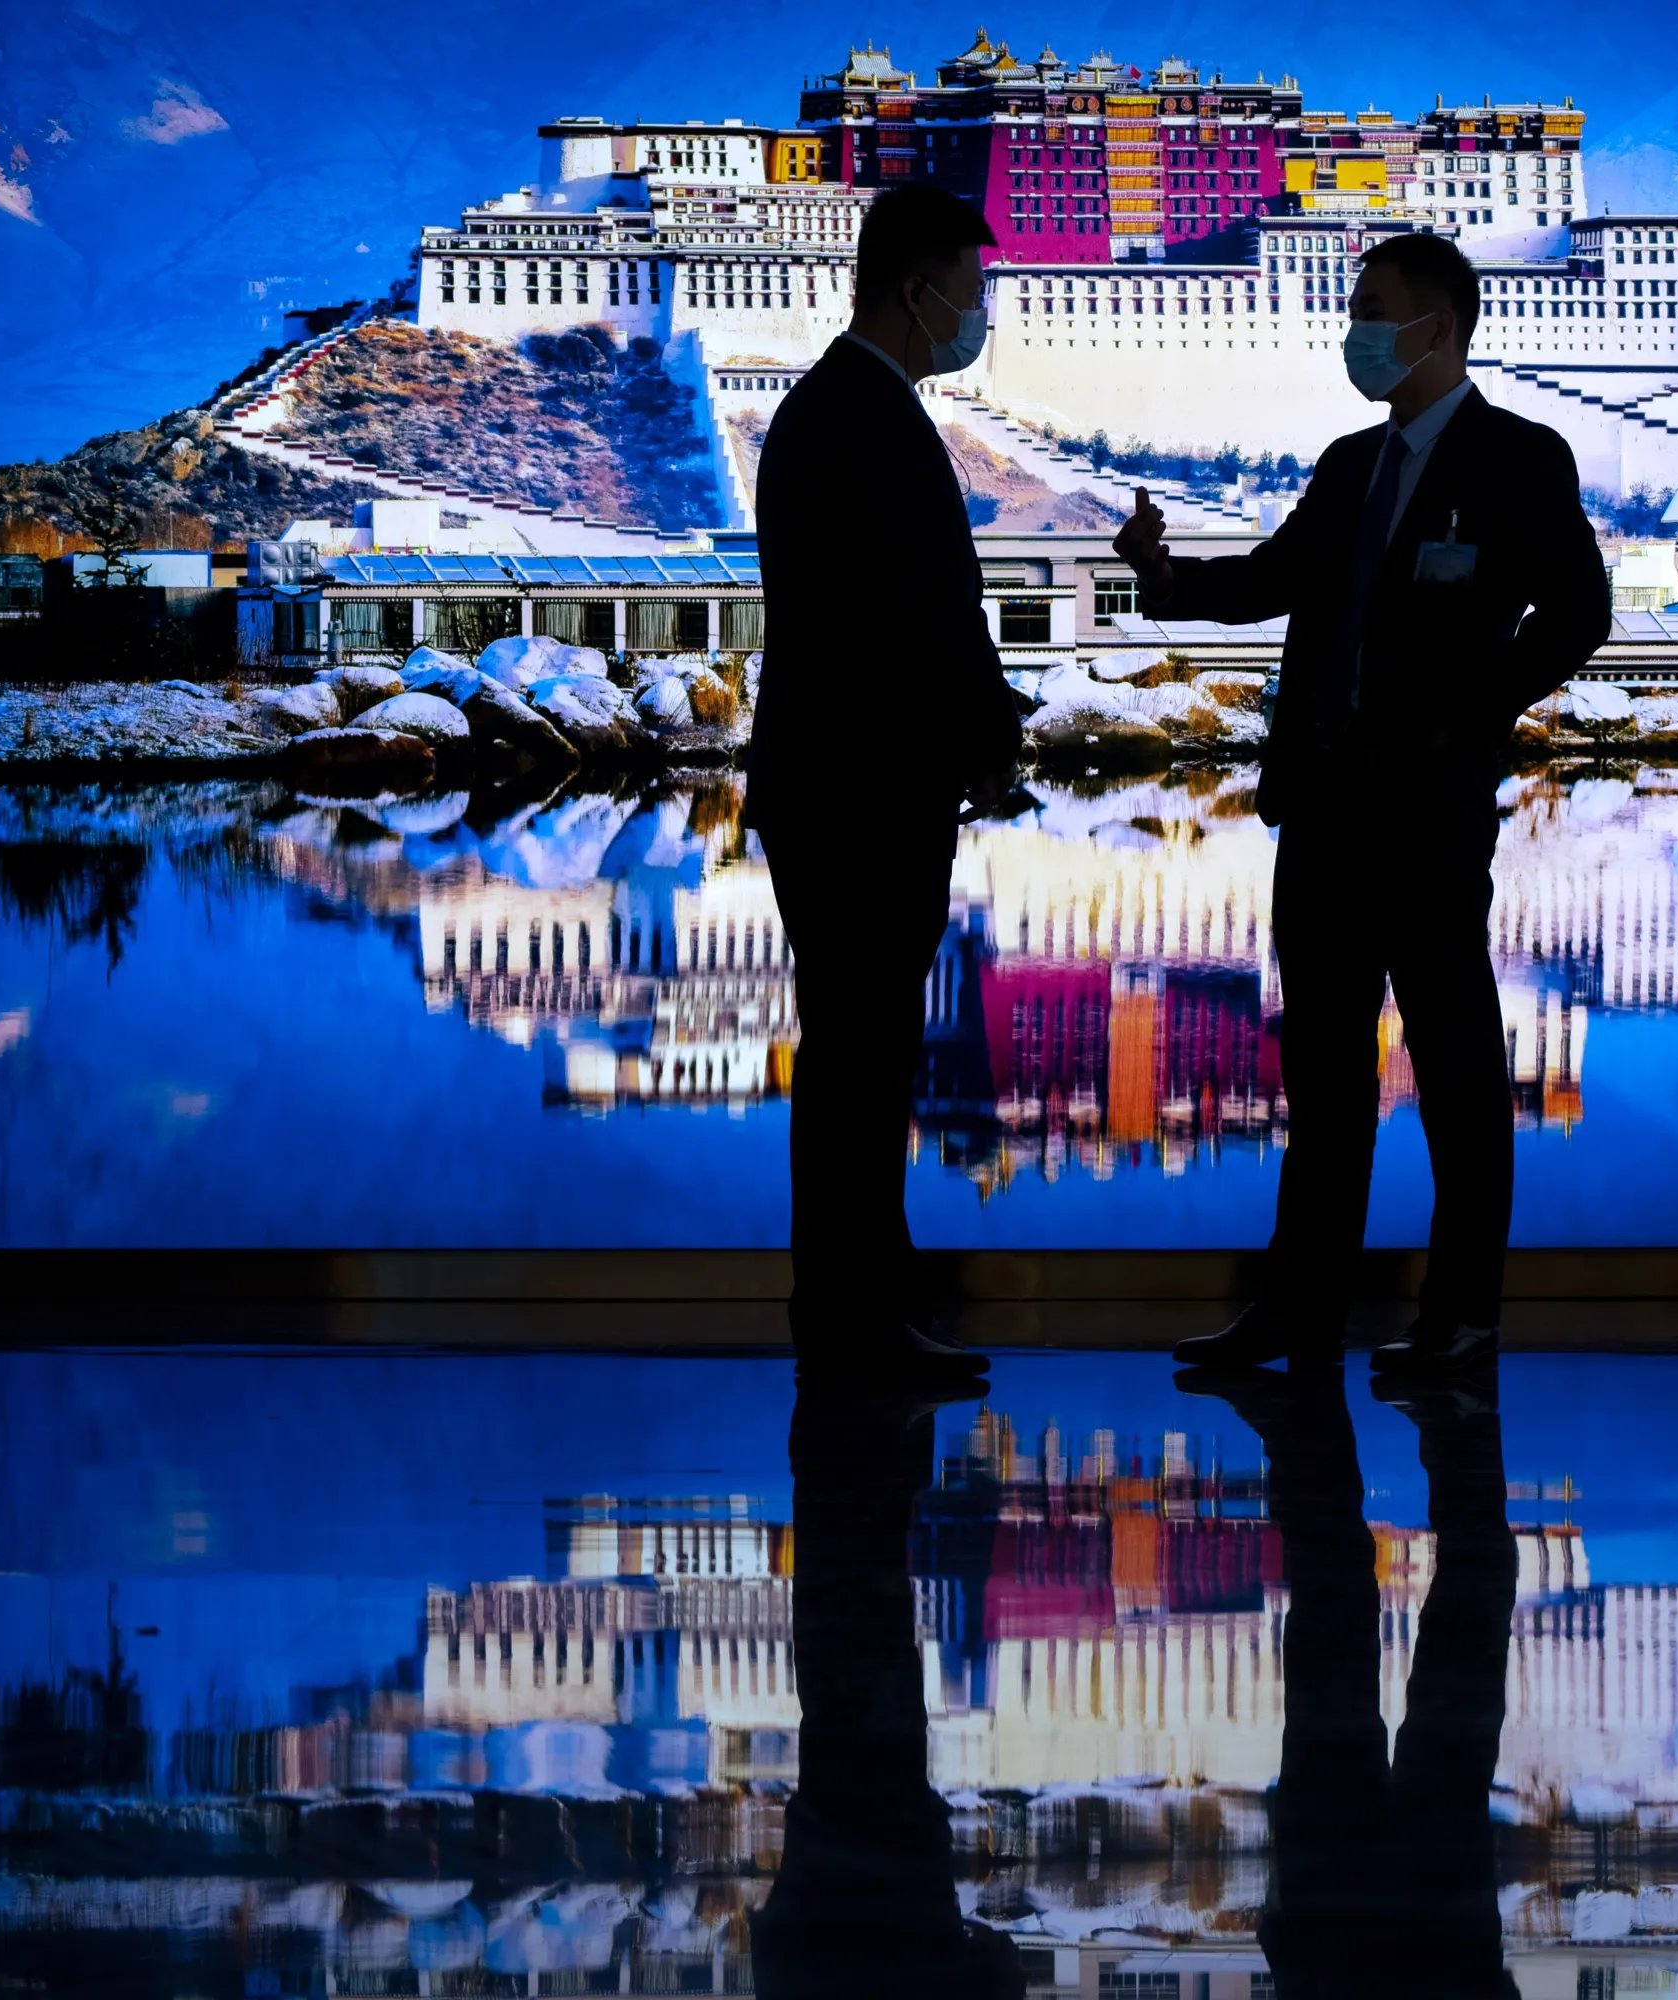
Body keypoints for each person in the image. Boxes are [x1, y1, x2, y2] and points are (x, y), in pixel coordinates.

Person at [1114, 231, 1608, 1375]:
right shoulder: (1349, 466)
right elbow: (1272, 580)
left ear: (1441, 324)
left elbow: (1579, 612)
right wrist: (1165, 576)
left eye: (1376, 310)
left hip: (1428, 815)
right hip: (1325, 812)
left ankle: (1461, 1317)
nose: (1358, 331)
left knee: (1458, 1073)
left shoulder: (1518, 458)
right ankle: (1300, 1307)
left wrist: (1469, 715)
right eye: (1356, 310)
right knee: (1324, 1081)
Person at [748, 183, 1027, 1386]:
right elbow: (924, 616)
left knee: (859, 1056)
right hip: (861, 793)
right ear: (915, 291)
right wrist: (990, 738)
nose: (979, 312)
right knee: (862, 1063)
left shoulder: (835, 408)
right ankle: (856, 1319)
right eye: (971, 288)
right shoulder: (864, 419)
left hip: (838, 781)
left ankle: (864, 1306)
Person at [1177, 1364, 1517, 1997]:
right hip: (1334, 1933)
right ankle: (1309, 1420)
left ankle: (1454, 1415)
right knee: (1343, 1633)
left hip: (1425, 1944)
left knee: (1455, 1636)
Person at [750, 1381, 1027, 1997]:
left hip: (888, 1851)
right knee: (844, 1610)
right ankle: (867, 1411)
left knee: (867, 1610)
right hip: (834, 1863)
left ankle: (880, 1406)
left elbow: (999, 1961)